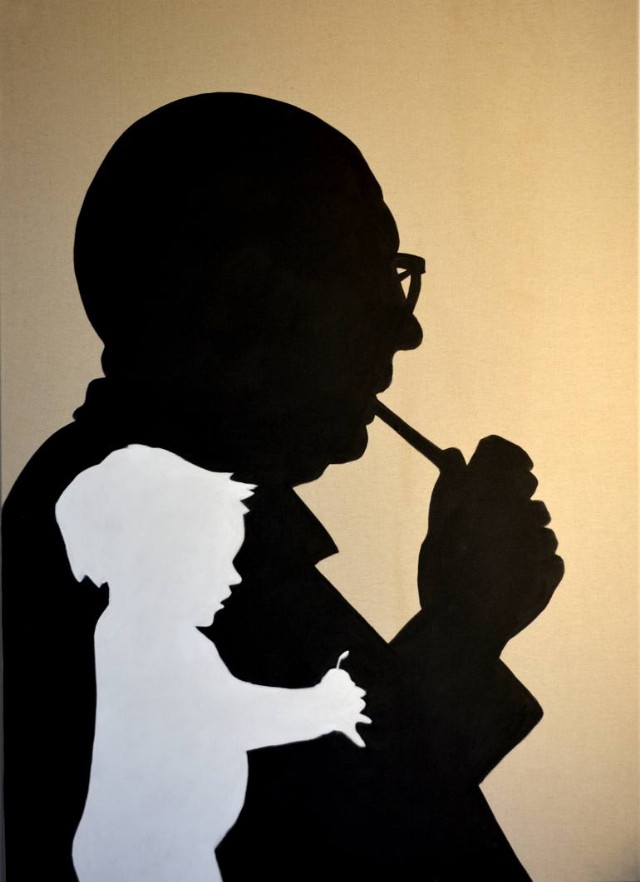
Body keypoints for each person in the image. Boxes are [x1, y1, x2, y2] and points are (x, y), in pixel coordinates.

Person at [2, 93, 563, 881]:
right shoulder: (127, 535)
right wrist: (463, 628)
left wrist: (462, 624)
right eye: (368, 271)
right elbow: (322, 834)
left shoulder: (143, 511)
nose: (404, 327)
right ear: (241, 287)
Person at [55, 444, 370, 882]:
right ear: (158, 560)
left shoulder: (135, 632)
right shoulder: (153, 640)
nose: (233, 576)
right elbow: (231, 716)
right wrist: (323, 706)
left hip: (162, 846)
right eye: (215, 560)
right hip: (151, 852)